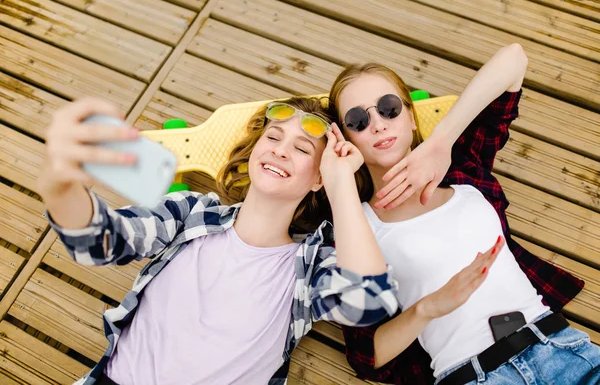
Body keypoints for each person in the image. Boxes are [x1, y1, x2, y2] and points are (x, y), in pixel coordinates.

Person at [37, 96, 440, 385]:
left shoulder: (309, 265)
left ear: (318, 178)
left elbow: (367, 302)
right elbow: (102, 240)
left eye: (301, 149)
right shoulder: (191, 214)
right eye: (273, 137)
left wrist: (339, 183)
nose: (280, 151)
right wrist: (59, 185)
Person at [327, 43, 600, 384]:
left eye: (389, 108)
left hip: (563, 349)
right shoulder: (357, 226)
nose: (378, 125)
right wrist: (427, 308)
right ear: (345, 136)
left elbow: (514, 59)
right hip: (477, 376)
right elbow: (368, 356)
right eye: (358, 120)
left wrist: (441, 141)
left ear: (411, 117)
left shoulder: (463, 167)